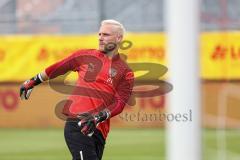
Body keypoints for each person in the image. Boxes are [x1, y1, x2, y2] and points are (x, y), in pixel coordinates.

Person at [19, 19, 134, 160]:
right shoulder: (85, 56)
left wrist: (98, 117)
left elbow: (119, 103)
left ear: (119, 38)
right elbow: (58, 68)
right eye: (99, 34)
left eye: (106, 34)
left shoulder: (125, 71)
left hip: (99, 130)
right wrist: (34, 80)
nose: (100, 38)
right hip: (77, 122)